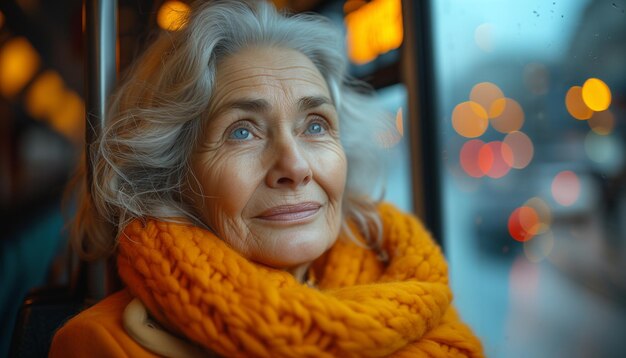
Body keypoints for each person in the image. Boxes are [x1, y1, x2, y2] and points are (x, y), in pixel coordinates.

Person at [50, 1, 484, 356]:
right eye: (242, 131)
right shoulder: (101, 344)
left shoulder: (411, 289)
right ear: (171, 174)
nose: (295, 167)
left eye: (315, 125)